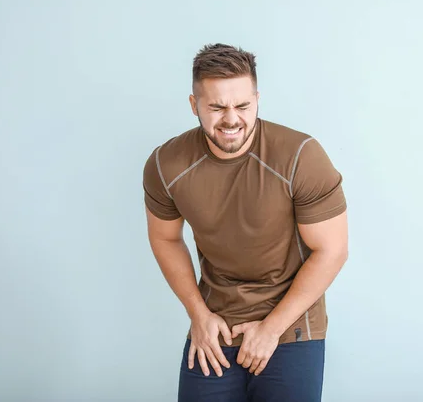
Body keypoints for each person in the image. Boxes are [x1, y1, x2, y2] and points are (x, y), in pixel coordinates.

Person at [142, 43, 349, 402]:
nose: (232, 119)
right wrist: (198, 315)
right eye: (217, 107)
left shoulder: (301, 156)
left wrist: (271, 329)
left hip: (291, 326)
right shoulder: (166, 164)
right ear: (194, 106)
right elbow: (165, 238)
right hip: (214, 327)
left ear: (257, 100)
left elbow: (332, 250)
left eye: (242, 106)